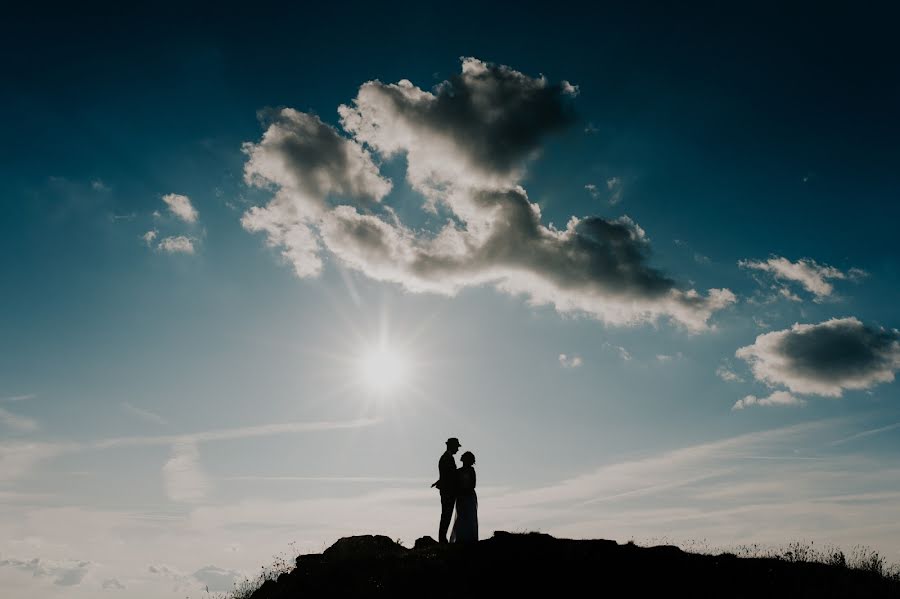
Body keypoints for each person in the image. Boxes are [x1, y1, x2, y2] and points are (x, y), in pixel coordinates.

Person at [431, 437, 461, 544]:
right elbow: (449, 476)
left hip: (447, 491)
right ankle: (442, 540)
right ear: (451, 446)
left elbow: (446, 475)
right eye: (456, 447)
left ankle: (443, 539)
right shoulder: (446, 458)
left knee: (446, 515)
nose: (457, 449)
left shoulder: (446, 458)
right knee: (446, 515)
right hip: (448, 492)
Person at [450, 451, 478, 543]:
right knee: (461, 516)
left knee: (470, 516)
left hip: (469, 496)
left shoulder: (471, 470)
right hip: (461, 496)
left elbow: (473, 484)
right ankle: (460, 537)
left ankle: (470, 538)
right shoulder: (458, 471)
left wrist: (465, 491)